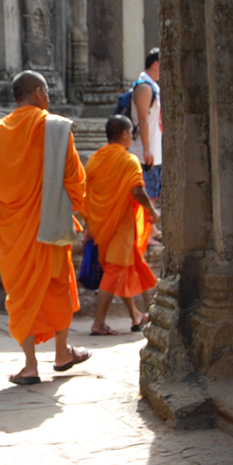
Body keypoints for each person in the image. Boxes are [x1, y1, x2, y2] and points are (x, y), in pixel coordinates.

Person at [0, 71, 91, 385]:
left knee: (20, 294)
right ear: (38, 92)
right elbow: (75, 183)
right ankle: (61, 353)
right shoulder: (55, 128)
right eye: (47, 91)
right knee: (58, 287)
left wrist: (0, 223)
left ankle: (30, 366)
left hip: (14, 230)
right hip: (49, 226)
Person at [82, 115, 160, 336]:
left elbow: (87, 196)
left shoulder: (95, 159)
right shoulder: (128, 160)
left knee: (121, 270)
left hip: (101, 226)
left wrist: (89, 224)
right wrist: (153, 212)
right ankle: (98, 323)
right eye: (131, 134)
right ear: (125, 135)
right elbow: (137, 190)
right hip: (121, 227)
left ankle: (136, 316)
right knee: (115, 270)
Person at [128, 48, 162, 242]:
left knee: (153, 190)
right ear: (155, 64)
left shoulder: (153, 86)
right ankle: (147, 230)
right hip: (143, 150)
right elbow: (142, 118)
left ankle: (152, 229)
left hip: (154, 149)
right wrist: (147, 147)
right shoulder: (144, 87)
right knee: (146, 189)